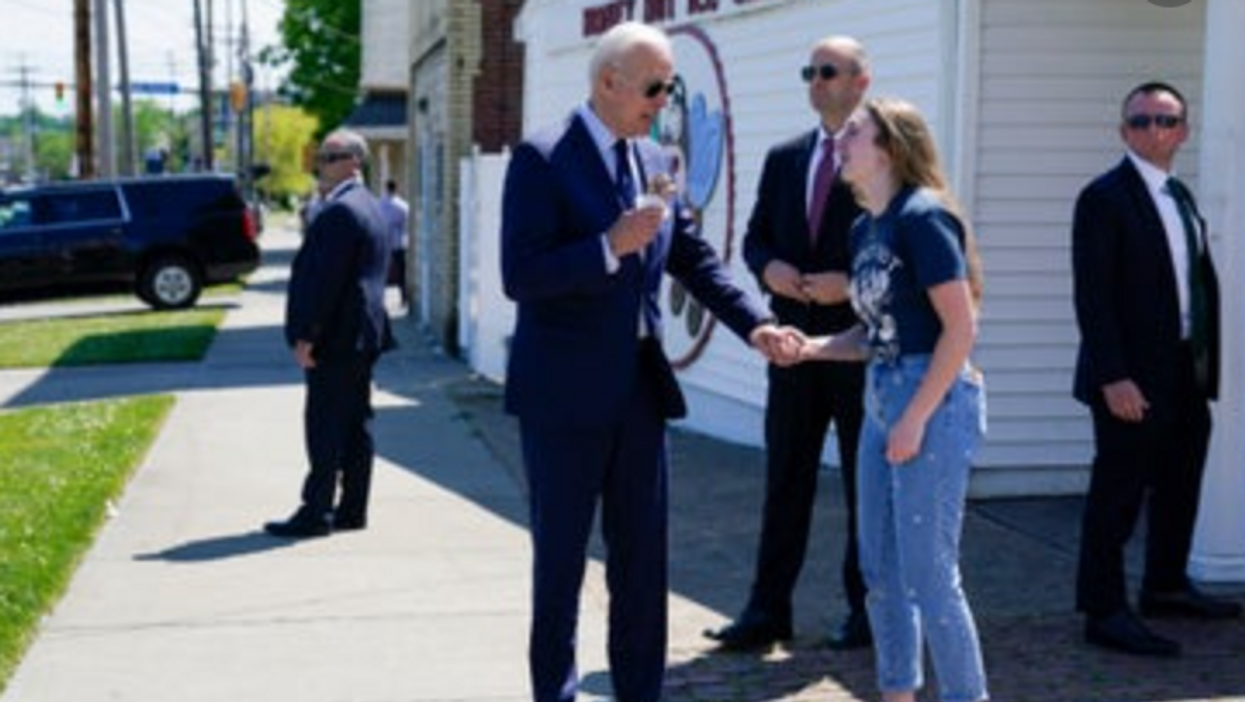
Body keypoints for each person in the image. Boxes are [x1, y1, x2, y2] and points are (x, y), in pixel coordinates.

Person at [500, 21, 794, 702]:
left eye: (669, 87)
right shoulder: (543, 157)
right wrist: (608, 245)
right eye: (655, 87)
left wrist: (756, 326)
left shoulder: (655, 161)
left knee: (641, 565)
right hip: (563, 399)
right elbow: (520, 273)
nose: (664, 101)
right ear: (609, 83)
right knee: (562, 565)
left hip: (638, 391)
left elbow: (691, 258)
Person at [795, 97, 988, 702]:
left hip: (932, 398)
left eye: (855, 131)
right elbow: (878, 332)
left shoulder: (922, 217)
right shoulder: (865, 228)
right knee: (881, 572)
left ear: (888, 147)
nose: (842, 140)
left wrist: (916, 418)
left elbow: (960, 328)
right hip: (883, 395)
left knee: (932, 576)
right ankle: (898, 694)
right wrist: (811, 347)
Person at [706, 35, 872, 653]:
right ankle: (766, 611)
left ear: (861, 80)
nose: (816, 81)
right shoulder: (785, 157)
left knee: (865, 485)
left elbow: (904, 252)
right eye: (810, 71)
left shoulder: (881, 154)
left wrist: (850, 286)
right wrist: (768, 267)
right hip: (793, 347)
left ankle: (866, 610)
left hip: (857, 348)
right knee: (785, 482)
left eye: (828, 71)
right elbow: (753, 238)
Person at [1071, 81, 1239, 658]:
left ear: (1183, 132)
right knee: (1116, 493)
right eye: (1141, 122)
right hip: (1130, 376)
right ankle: (1103, 610)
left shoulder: (1181, 196)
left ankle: (1164, 586)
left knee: (1179, 482)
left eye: (1165, 121)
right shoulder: (1105, 197)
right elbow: (1093, 298)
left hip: (1183, 370)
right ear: (1124, 132)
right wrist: (1114, 377)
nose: (1154, 130)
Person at [266, 128, 395, 538]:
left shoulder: (342, 211)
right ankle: (352, 509)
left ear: (354, 162)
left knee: (324, 423)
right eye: (321, 156)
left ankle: (316, 511)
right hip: (361, 336)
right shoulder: (370, 205)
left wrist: (308, 336)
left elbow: (326, 283)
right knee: (355, 421)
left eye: (331, 156)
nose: (321, 164)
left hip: (338, 338)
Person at [379, 178, 410, 306]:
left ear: (386, 188)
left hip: (383, 244)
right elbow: (405, 225)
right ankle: (403, 298)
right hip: (398, 244)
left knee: (381, 273)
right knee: (401, 273)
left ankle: (379, 300)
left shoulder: (378, 204)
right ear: (396, 189)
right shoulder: (403, 206)